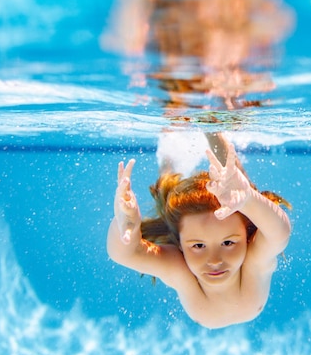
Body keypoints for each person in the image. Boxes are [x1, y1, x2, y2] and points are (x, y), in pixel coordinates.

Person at [106, 135, 291, 328]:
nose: (215, 260)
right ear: (179, 244)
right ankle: (208, 128)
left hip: (241, 201)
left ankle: (211, 129)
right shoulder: (180, 269)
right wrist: (127, 222)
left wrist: (250, 200)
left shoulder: (253, 261)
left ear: (247, 236)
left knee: (236, 185)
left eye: (228, 243)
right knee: (171, 187)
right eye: (198, 245)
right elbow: (126, 254)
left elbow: (279, 233)